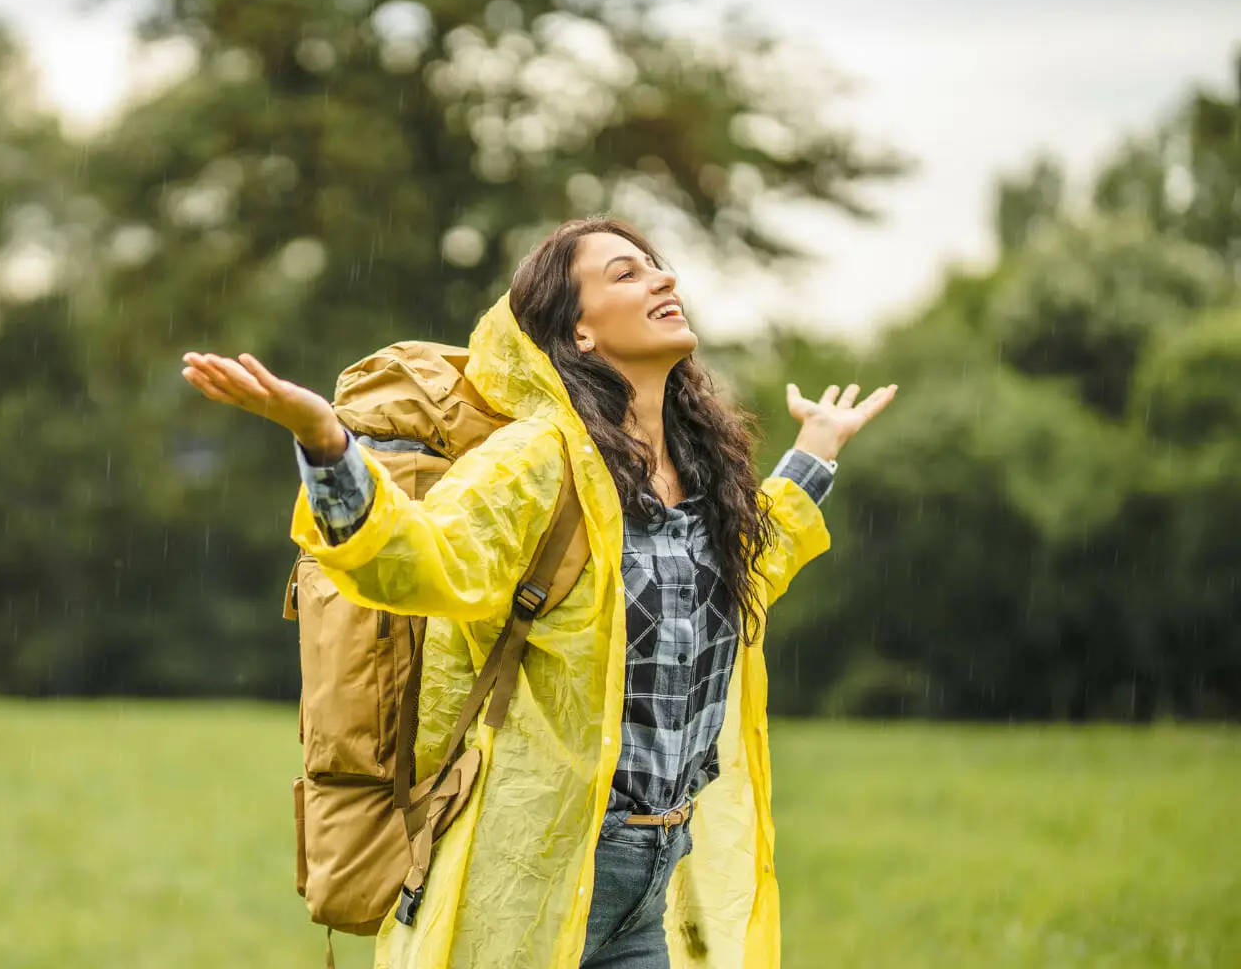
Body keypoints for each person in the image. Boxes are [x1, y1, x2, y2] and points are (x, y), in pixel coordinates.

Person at [180, 217, 896, 969]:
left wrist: (816, 448)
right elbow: (418, 561)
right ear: (578, 332)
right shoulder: (537, 459)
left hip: (651, 881)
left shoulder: (702, 470)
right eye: (626, 273)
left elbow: (748, 566)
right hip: (528, 877)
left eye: (656, 265)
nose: (664, 278)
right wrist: (326, 446)